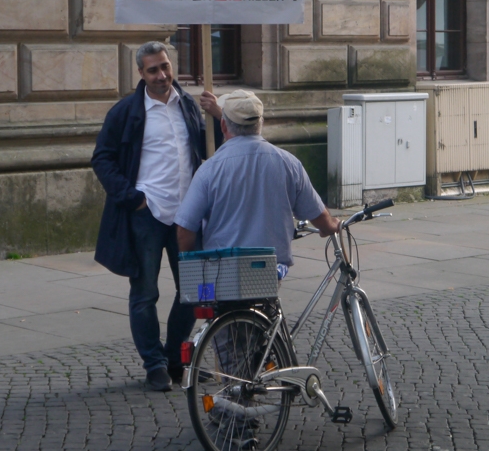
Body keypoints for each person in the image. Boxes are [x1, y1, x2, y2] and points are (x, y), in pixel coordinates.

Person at [91, 41, 221, 392]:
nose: (162, 75)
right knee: (145, 293)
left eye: (165, 67)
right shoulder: (126, 112)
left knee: (194, 291)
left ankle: (176, 358)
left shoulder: (188, 105)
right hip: (146, 214)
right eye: (153, 70)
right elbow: (102, 158)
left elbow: (212, 148)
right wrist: (132, 198)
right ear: (141, 73)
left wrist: (218, 115)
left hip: (187, 216)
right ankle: (154, 364)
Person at [174, 89, 340, 276]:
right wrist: (331, 225)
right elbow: (317, 214)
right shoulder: (289, 163)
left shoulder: (209, 170)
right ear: (261, 123)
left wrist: (191, 264)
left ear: (223, 125)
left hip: (222, 270)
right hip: (269, 269)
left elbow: (184, 228)